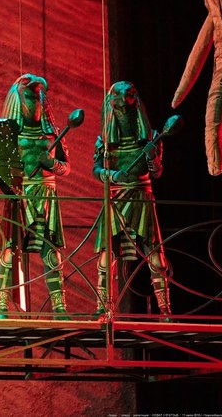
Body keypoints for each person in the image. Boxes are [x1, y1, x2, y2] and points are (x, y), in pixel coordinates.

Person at [93, 81, 171, 317]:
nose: (124, 112)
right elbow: (97, 170)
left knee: (156, 257)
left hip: (141, 198)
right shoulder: (104, 142)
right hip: (116, 198)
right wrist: (113, 175)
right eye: (119, 108)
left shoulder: (151, 137)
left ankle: (165, 309)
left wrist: (152, 157)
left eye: (127, 106)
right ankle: (103, 308)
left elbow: (157, 173)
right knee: (106, 258)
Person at [0, 73, 70, 319]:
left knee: (51, 252)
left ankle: (60, 308)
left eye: (37, 98)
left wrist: (52, 164)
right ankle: (1, 306)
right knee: (9, 250)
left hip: (46, 194)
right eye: (29, 97)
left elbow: (66, 168)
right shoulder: (9, 134)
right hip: (20, 194)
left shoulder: (52, 134)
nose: (34, 103)